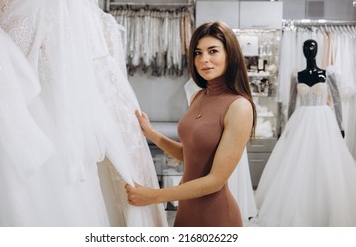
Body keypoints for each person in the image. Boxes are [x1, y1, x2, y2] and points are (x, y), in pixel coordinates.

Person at [125, 21, 257, 227]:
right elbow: (189, 154)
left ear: (229, 55)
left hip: (216, 216)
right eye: (198, 52)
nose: (204, 59)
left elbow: (216, 180)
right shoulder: (198, 96)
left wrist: (155, 196)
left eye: (213, 51)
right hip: (186, 209)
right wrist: (151, 133)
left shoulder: (239, 106)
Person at [255, 39, 356, 226]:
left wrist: (340, 125)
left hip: (323, 120)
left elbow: (336, 101)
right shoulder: (297, 75)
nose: (309, 51)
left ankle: (325, 205)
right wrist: (288, 126)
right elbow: (292, 103)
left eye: (312, 48)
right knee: (297, 161)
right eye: (306, 48)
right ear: (302, 51)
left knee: (325, 160)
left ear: (317, 51)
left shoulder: (328, 73)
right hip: (301, 120)